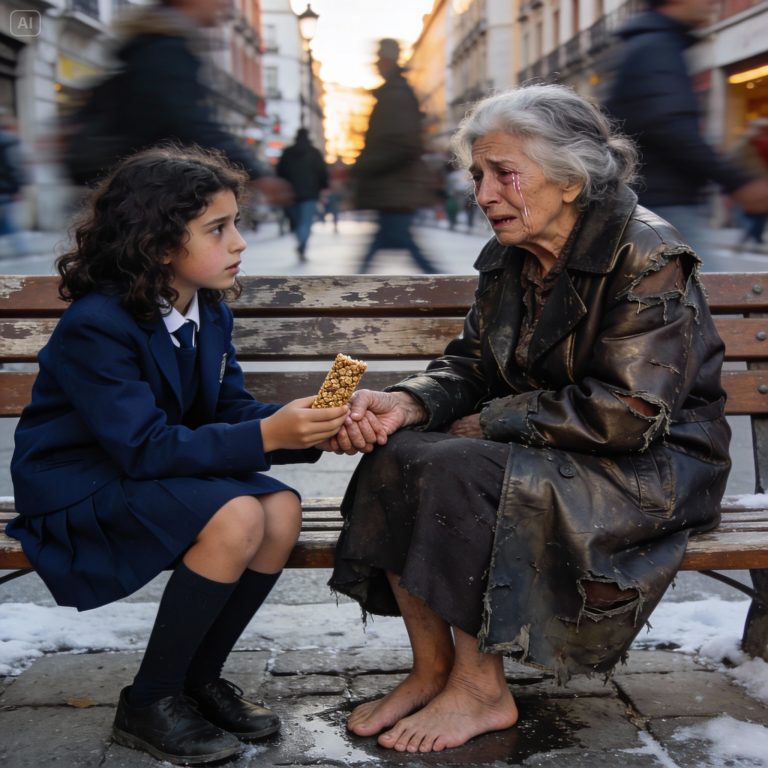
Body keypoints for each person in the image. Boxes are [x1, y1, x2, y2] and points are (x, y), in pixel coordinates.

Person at [327, 83, 731, 753]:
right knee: (397, 450)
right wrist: (409, 402)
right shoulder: (512, 254)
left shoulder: (647, 253)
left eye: (502, 174)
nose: (482, 193)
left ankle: (483, 690)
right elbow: (471, 365)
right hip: (560, 446)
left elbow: (632, 412)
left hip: (651, 464)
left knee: (455, 466)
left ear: (570, 179)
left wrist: (493, 421)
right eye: (477, 174)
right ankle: (433, 669)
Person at [7, 145, 364, 765]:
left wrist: (302, 426)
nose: (240, 243)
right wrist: (268, 436)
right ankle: (149, 700)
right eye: (218, 229)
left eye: (237, 224)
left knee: (279, 506)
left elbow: (225, 409)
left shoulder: (207, 312)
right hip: (80, 486)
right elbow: (140, 445)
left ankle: (196, 680)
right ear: (158, 243)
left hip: (146, 473)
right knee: (238, 515)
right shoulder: (99, 324)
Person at [64, 0, 290, 205]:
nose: (226, 5)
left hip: (133, 181)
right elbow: (190, 122)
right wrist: (256, 174)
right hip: (144, 186)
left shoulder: (155, 43)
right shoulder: (166, 50)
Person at [603, 0, 768, 258]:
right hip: (666, 207)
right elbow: (671, 127)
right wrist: (737, 184)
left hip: (657, 204)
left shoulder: (653, 44)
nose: (712, 3)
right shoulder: (655, 48)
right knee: (706, 290)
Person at [353, 38, 441, 274]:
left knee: (398, 243)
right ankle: (447, 288)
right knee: (393, 242)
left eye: (380, 60)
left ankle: (450, 291)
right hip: (394, 189)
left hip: (395, 188)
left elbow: (402, 146)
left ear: (389, 61)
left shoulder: (395, 95)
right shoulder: (394, 93)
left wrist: (363, 167)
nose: (376, 65)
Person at [276, 128, 329, 261]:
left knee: (296, 222)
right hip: (310, 194)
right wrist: (323, 187)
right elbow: (322, 173)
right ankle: (302, 244)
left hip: (290, 193)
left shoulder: (287, 152)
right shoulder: (314, 153)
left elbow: (280, 172)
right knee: (305, 222)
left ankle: (301, 242)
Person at [731, 118, 768, 250]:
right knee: (752, 214)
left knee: (758, 214)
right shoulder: (747, 144)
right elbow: (734, 161)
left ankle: (752, 238)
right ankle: (750, 237)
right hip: (750, 184)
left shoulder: (752, 143)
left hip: (758, 183)